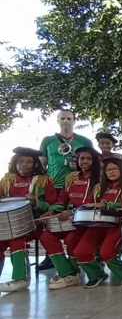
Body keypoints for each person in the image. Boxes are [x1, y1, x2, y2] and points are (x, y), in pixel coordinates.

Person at [38, 109, 93, 270]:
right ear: (58, 120)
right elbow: (42, 162)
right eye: (63, 118)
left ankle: (75, 256)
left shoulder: (83, 140)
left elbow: (92, 160)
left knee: (74, 221)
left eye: (69, 118)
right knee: (51, 221)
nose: (66, 121)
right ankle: (52, 258)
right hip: (53, 185)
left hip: (77, 186)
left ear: (74, 121)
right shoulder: (48, 140)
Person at [39, 146, 101, 290]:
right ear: (77, 161)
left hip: (89, 222)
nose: (85, 161)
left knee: (70, 239)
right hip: (71, 221)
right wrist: (52, 210)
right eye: (82, 158)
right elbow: (62, 200)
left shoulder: (100, 180)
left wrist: (72, 211)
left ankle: (71, 275)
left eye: (89, 158)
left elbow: (95, 205)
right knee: (45, 236)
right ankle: (68, 272)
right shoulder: (70, 178)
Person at [72, 157, 122, 288]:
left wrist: (105, 204)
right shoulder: (97, 188)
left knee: (106, 252)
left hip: (117, 224)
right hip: (96, 224)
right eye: (108, 170)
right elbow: (89, 202)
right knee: (80, 251)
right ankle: (96, 275)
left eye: (114, 169)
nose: (111, 172)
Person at [0, 147, 57, 293]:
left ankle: (22, 279)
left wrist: (36, 202)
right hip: (6, 225)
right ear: (15, 163)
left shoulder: (44, 181)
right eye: (20, 161)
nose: (24, 165)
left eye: (28, 162)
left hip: (34, 223)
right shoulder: (7, 180)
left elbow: (52, 205)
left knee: (16, 240)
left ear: (35, 164)